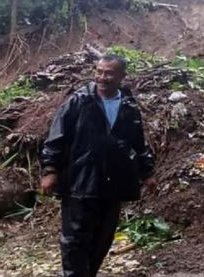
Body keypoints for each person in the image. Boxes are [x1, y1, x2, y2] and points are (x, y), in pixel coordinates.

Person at [39, 54, 155, 277]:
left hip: (114, 184)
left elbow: (138, 143)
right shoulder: (79, 101)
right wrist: (50, 170)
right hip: (80, 181)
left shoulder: (128, 107)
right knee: (75, 239)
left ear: (122, 76)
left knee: (103, 238)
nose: (102, 77)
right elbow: (56, 137)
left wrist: (147, 171)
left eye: (109, 73)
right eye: (99, 71)